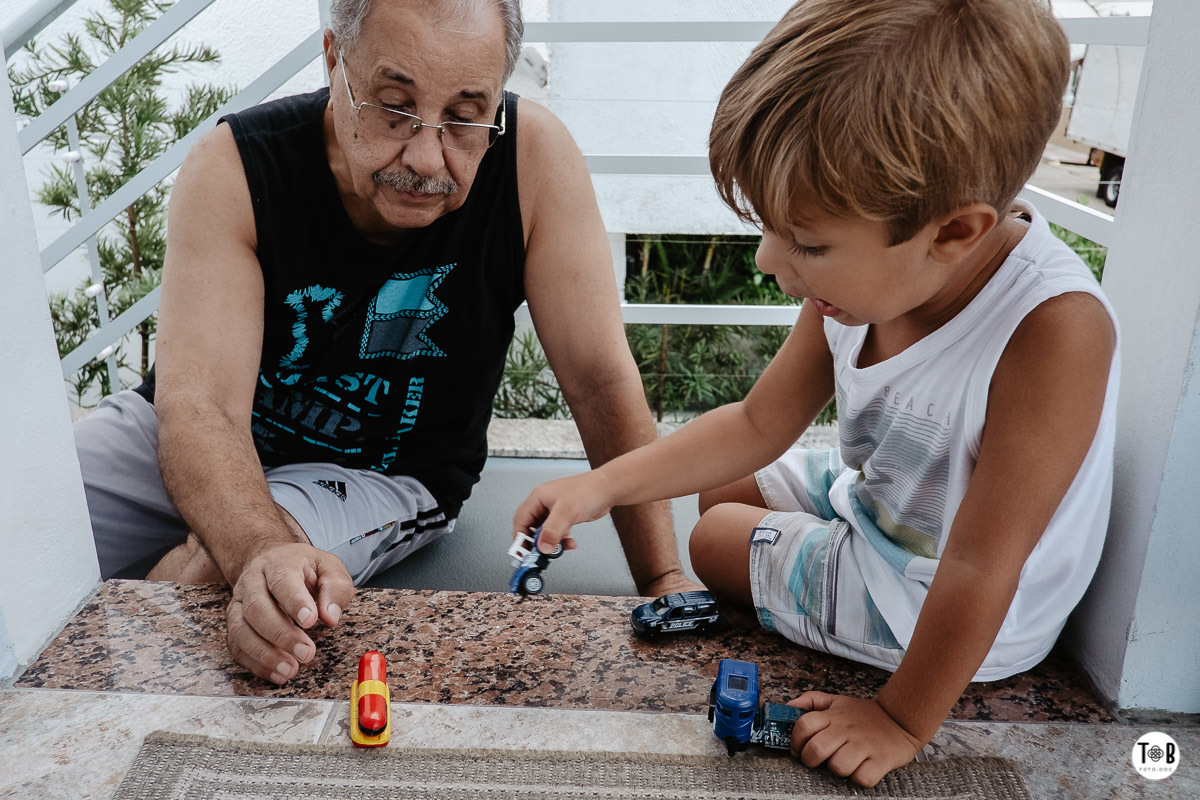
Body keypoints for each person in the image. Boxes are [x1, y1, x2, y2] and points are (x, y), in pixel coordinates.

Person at [514, 0, 1119, 787]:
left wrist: (901, 718)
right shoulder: (863, 277)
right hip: (890, 499)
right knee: (723, 486)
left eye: (806, 242)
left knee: (713, 538)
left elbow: (979, 564)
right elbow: (758, 421)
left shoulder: (1055, 332)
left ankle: (837, 602)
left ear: (953, 232)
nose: (770, 260)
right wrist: (599, 486)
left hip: (935, 595)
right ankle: (813, 551)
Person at [75, 0, 697, 687]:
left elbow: (598, 381)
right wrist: (252, 543)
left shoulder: (533, 162)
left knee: (232, 579)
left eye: (465, 117)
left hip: (383, 470)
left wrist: (662, 580)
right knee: (27, 499)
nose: (427, 157)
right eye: (394, 107)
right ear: (335, 61)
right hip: (211, 424)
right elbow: (199, 407)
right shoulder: (237, 167)